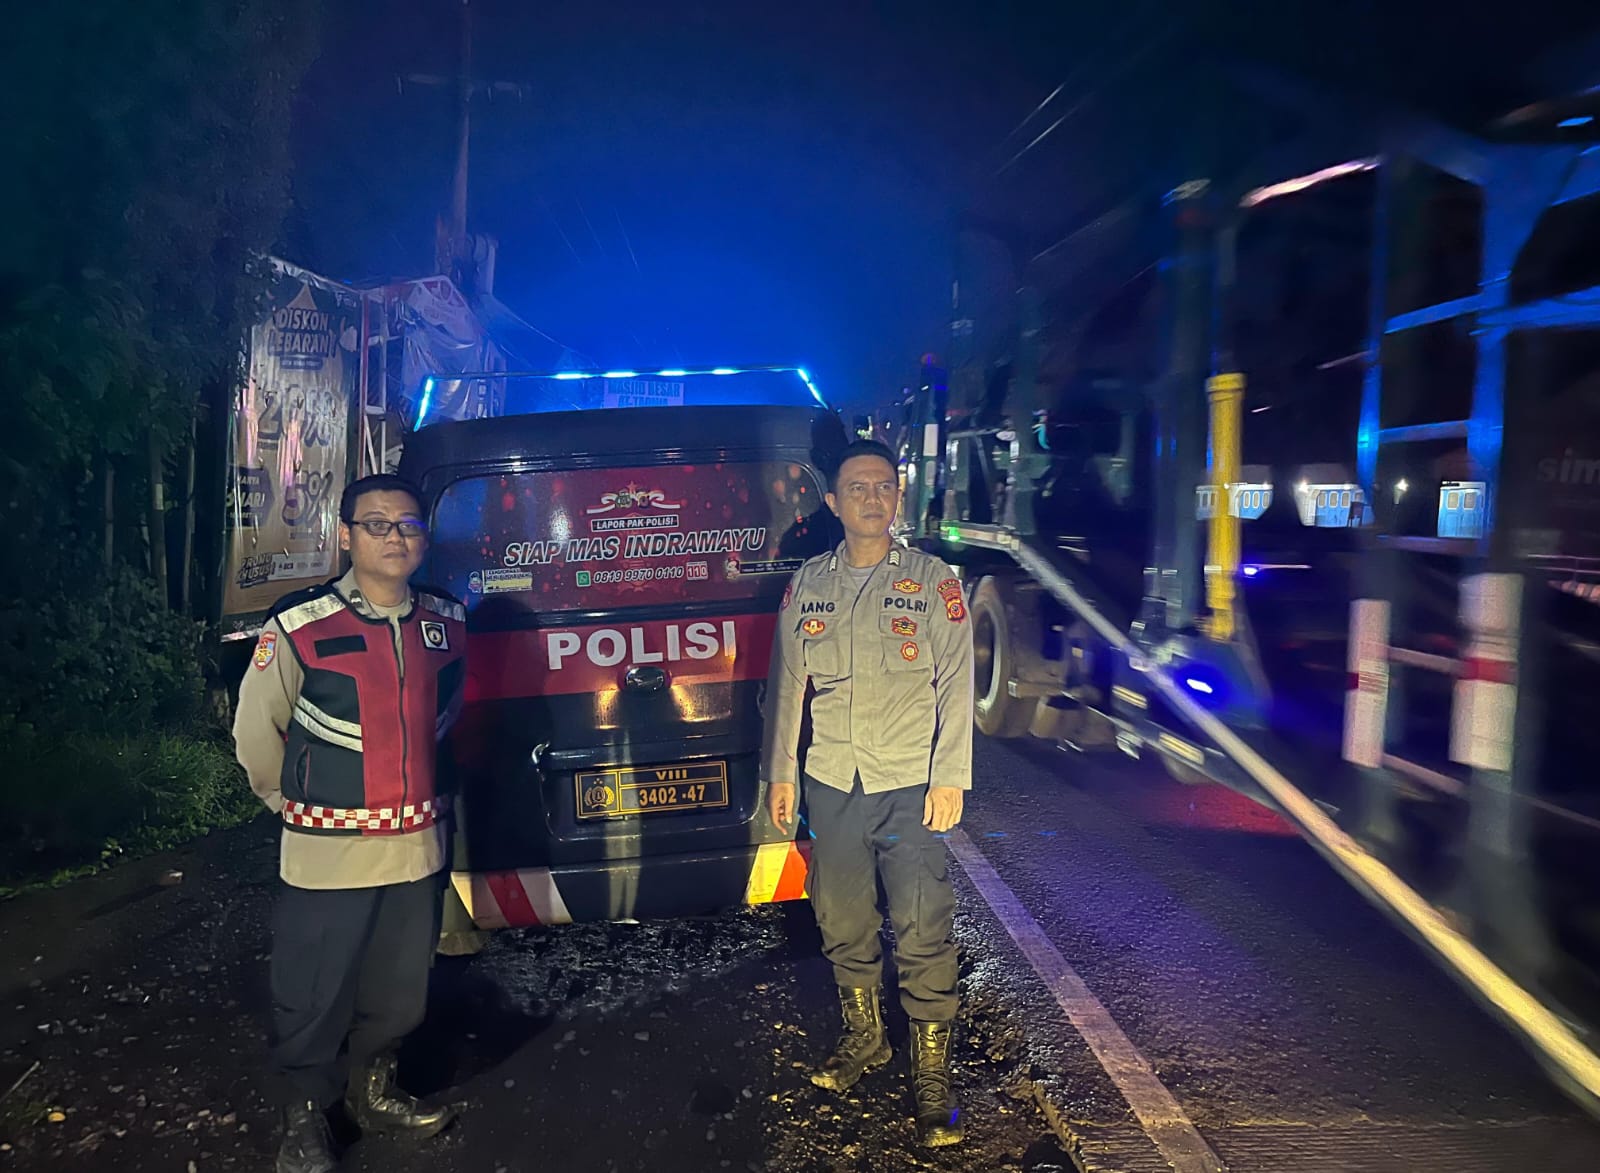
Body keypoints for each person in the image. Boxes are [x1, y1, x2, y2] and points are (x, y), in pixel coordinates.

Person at [233, 473, 466, 1173]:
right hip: (327, 851)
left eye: (409, 524)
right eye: (377, 524)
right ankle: (304, 1117)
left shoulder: (448, 621)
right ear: (345, 535)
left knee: (399, 989)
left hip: (416, 848)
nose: (396, 537)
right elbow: (256, 731)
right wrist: (294, 804)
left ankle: (374, 1089)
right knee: (313, 990)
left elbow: (450, 715)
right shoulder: (299, 624)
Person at [761, 439, 975, 1147]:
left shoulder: (932, 581)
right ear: (833, 502)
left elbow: (956, 681)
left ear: (899, 496)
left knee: (921, 921)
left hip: (909, 780)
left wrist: (950, 774)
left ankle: (933, 1077)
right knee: (841, 914)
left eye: (883, 485)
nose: (872, 498)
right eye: (857, 487)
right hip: (832, 779)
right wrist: (781, 772)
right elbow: (788, 685)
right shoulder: (807, 584)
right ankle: (867, 1038)